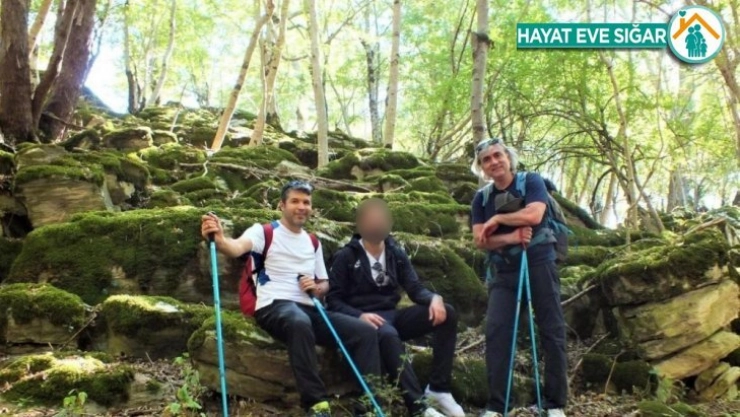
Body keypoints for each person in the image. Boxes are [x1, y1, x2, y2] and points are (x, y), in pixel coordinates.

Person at [201, 180, 381, 417]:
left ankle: (367, 405)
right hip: (273, 306)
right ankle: (316, 404)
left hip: (310, 308)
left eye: (306, 202)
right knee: (298, 321)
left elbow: (324, 283)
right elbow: (235, 248)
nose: (301, 207)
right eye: (295, 201)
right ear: (282, 205)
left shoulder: (312, 241)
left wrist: (317, 288)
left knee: (365, 331)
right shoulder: (263, 232)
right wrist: (220, 240)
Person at [327, 198, 465, 417]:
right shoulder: (346, 256)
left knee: (447, 313)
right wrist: (359, 316)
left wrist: (434, 298)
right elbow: (333, 300)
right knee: (388, 334)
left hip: (393, 315)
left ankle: (439, 388)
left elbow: (414, 288)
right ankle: (418, 408)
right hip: (364, 320)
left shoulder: (395, 252)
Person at [469, 138, 568, 417]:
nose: (494, 162)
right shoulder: (481, 199)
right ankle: (498, 405)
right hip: (503, 270)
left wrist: (498, 220)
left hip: (539, 262)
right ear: (482, 168)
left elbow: (535, 214)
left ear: (508, 158)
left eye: (497, 155)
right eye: (486, 160)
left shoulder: (531, 181)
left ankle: (555, 403)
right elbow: (479, 240)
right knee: (497, 332)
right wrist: (511, 236)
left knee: (551, 329)